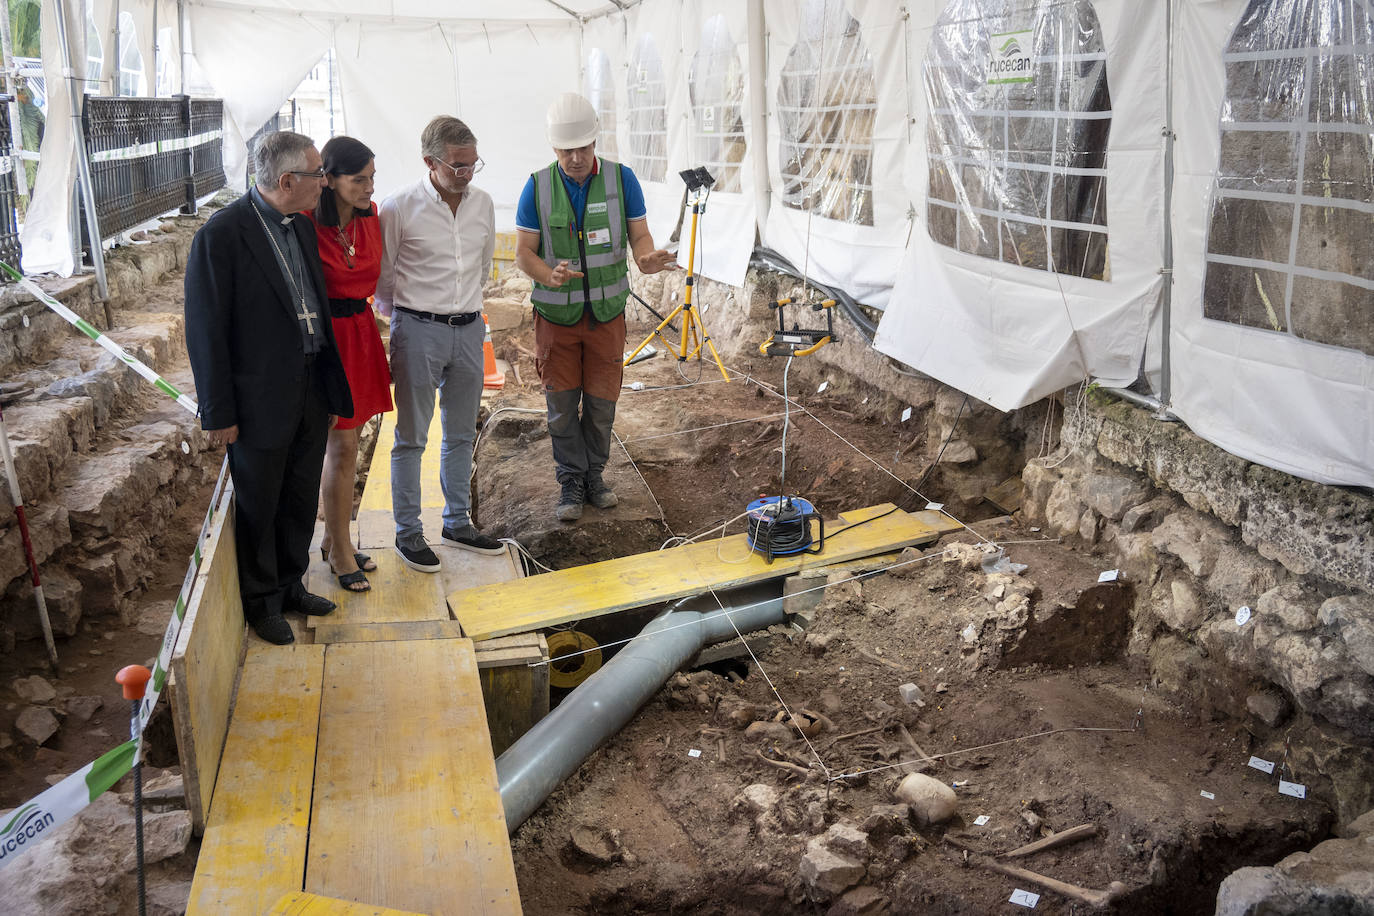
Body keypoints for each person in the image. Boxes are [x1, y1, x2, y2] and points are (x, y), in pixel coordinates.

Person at [184, 131, 354, 645]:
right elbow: (205, 329)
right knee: (261, 500)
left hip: (308, 385)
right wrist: (217, 412)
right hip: (257, 398)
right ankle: (261, 603)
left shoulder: (299, 228)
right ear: (287, 181)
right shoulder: (222, 235)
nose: (325, 183)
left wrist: (324, 385)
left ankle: (290, 584)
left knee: (300, 496)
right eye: (317, 174)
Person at [515, 92, 678, 523]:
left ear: (594, 142)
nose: (575, 158)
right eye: (566, 150)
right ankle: (571, 480)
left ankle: (594, 477)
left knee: (602, 403)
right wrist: (546, 274)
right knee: (563, 405)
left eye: (582, 148)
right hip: (555, 320)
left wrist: (645, 258)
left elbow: (639, 236)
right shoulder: (537, 186)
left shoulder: (622, 180)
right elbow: (523, 252)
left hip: (607, 314)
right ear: (554, 149)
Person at [375, 116, 503, 573]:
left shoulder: (483, 204)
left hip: (469, 328)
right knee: (411, 437)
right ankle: (408, 533)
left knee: (462, 433)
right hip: (417, 328)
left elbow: (483, 265)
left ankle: (457, 523)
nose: (467, 173)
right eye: (457, 165)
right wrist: (412, 320)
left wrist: (463, 312)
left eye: (473, 163)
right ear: (430, 162)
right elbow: (384, 280)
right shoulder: (399, 207)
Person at [304, 136, 393, 593]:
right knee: (336, 448)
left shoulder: (371, 217)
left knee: (348, 446)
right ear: (329, 180)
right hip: (323, 341)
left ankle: (333, 537)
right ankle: (339, 549)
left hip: (360, 332)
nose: (369, 188)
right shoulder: (304, 222)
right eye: (359, 180)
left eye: (372, 178)